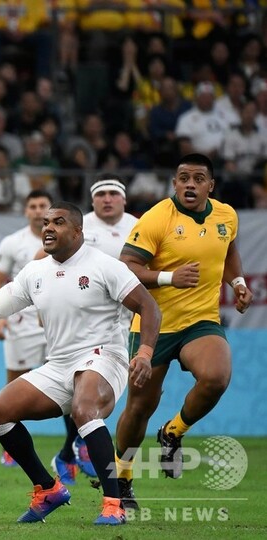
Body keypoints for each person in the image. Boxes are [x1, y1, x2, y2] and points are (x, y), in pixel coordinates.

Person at [0, 202, 162, 526]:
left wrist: (144, 352)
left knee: (84, 409)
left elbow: (149, 307)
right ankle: (48, 488)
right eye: (47, 222)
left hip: (105, 356)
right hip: (60, 363)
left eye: (58, 222)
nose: (48, 227)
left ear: (77, 231)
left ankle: (113, 504)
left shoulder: (105, 266)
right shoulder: (35, 272)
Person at [114, 153, 253, 509]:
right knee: (139, 408)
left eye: (198, 178)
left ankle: (173, 432)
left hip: (201, 320)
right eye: (183, 178)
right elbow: (126, 267)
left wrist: (237, 282)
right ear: (174, 183)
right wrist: (168, 278)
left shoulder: (226, 215)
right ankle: (122, 480)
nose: (190, 184)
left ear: (210, 185)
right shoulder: (158, 217)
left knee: (216, 377)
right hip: (154, 325)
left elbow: (228, 250)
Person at [52, 175, 140, 484]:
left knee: (108, 385)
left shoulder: (138, 227)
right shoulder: (79, 226)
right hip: (83, 317)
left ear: (123, 199)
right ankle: (80, 443)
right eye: (101, 194)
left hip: (127, 316)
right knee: (78, 381)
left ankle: (69, 451)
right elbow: (46, 258)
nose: (107, 199)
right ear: (92, 200)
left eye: (113, 193)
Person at [0, 190, 51, 469]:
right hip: (21, 320)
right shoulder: (13, 243)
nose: (37, 210)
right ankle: (11, 446)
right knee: (15, 383)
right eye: (32, 206)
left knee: (70, 379)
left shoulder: (64, 240)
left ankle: (75, 447)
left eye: (42, 205)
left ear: (51, 209)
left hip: (54, 319)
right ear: (26, 211)